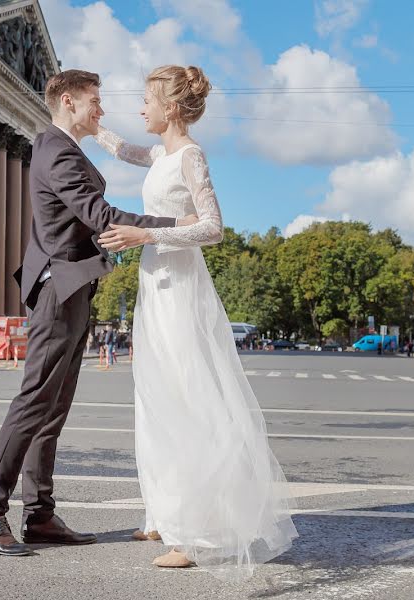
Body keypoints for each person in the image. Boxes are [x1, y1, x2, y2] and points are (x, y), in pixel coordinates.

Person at [0, 69, 195, 557]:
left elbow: (96, 206)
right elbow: (103, 217)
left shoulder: (65, 148)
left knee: (52, 410)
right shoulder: (56, 150)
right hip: (59, 288)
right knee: (34, 403)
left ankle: (40, 516)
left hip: (73, 287)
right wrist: (177, 223)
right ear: (68, 101)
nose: (102, 109)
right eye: (95, 101)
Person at [94, 64, 297, 579]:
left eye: (146, 100)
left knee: (185, 396)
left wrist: (147, 236)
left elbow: (214, 227)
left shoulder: (190, 155)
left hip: (180, 286)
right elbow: (122, 151)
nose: (140, 108)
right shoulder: (160, 154)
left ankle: (196, 532)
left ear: (172, 108)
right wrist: (88, 121)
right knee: (154, 395)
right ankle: (163, 513)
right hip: (154, 284)